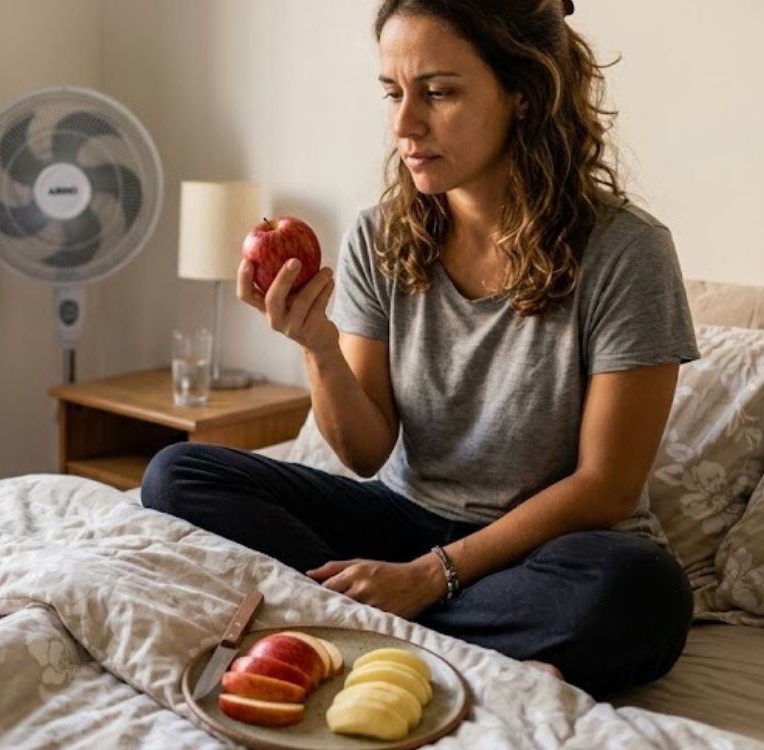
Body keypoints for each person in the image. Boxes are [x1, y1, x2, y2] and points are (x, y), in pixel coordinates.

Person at [141, 0, 699, 698]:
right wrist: (317, 345)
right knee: (175, 474)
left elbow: (606, 487)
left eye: (438, 92)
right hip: (402, 520)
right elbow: (366, 453)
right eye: (392, 92)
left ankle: (357, 623)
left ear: (523, 94)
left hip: (547, 552)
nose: (405, 124)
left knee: (640, 595)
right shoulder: (381, 236)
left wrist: (430, 576)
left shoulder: (628, 252)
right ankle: (440, 635)